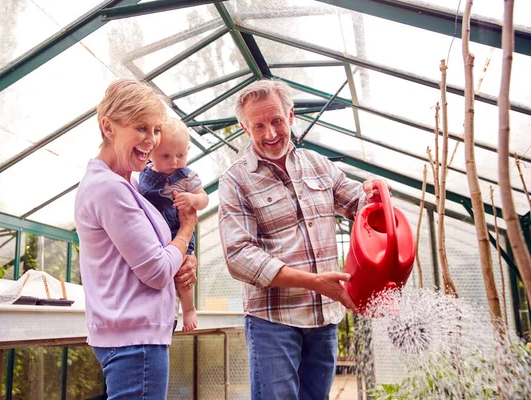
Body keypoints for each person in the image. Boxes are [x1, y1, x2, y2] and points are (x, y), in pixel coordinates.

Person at [217, 79, 385, 400]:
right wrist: (314, 282)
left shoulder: (318, 165)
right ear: (244, 127)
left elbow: (357, 205)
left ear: (291, 115)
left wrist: (373, 193)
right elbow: (238, 257)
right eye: (258, 125)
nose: (270, 134)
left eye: (277, 121)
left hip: (324, 319)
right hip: (272, 322)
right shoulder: (236, 181)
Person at [74, 79, 198, 399]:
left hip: (134, 340)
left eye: (156, 130)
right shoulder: (110, 188)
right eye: (141, 128)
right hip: (135, 343)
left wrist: (183, 259)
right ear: (108, 127)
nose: (152, 140)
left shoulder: (124, 183)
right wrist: (185, 233)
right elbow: (157, 270)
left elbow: (157, 257)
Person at [138, 118, 209, 332]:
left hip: (177, 230)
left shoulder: (187, 177)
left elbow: (204, 199)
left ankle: (188, 309)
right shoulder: (142, 174)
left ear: (188, 150)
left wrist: (192, 199)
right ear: (151, 152)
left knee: (182, 273)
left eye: (181, 155)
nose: (174, 162)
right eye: (166, 156)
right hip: (153, 236)